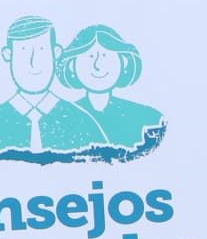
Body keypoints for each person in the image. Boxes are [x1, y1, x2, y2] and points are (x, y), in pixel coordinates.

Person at [0, 16, 103, 156]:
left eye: (41, 49)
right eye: (23, 50)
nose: (33, 62)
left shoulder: (81, 123)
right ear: (8, 54)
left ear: (56, 53)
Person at [60, 23, 164, 154]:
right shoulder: (65, 118)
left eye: (104, 56)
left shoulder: (148, 118)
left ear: (124, 62)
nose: (97, 65)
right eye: (90, 56)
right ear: (72, 65)